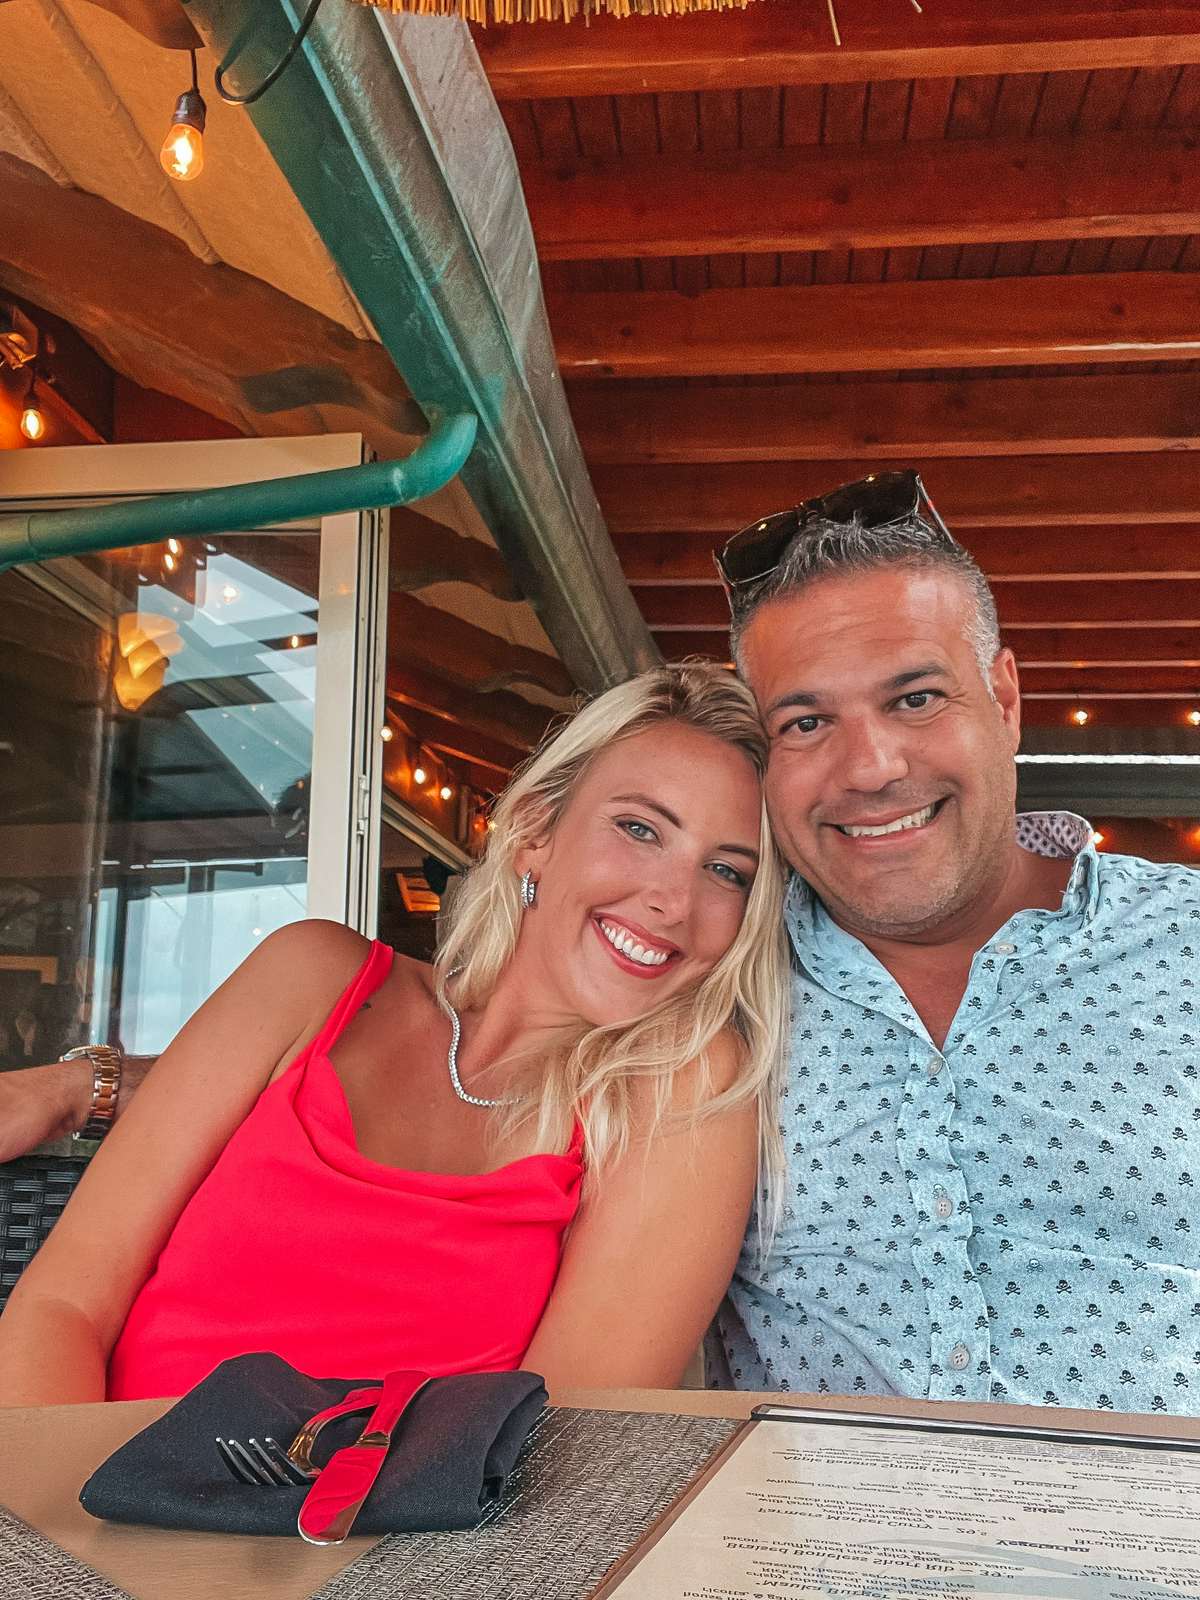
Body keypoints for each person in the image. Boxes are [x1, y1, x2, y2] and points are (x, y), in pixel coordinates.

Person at [0, 663, 788, 1407]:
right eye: (641, 829)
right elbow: (63, 1306)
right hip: (92, 1504)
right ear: (536, 830)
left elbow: (569, 1453)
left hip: (382, 1546)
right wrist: (61, 1541)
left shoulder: (682, 1089)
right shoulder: (312, 977)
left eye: (727, 871)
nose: (673, 901)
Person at [710, 469, 1200, 1416]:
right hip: (813, 1562)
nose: (871, 768)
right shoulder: (716, 976)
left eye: (916, 700)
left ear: (1004, 699)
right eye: (808, 722)